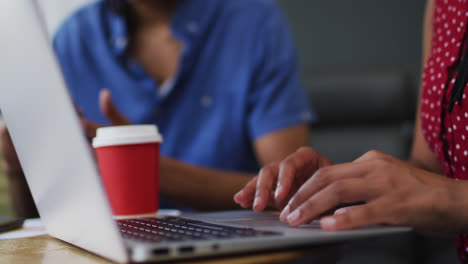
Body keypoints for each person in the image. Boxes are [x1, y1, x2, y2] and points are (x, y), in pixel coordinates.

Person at [0, 0, 315, 216]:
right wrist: (19, 169)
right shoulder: (73, 38)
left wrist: (136, 164)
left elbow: (287, 190)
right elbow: (45, 217)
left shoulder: (253, 23)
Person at [234, 0, 468, 262]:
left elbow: (448, 192)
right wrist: (341, 189)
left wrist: (457, 199)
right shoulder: (442, 5)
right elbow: (431, 173)